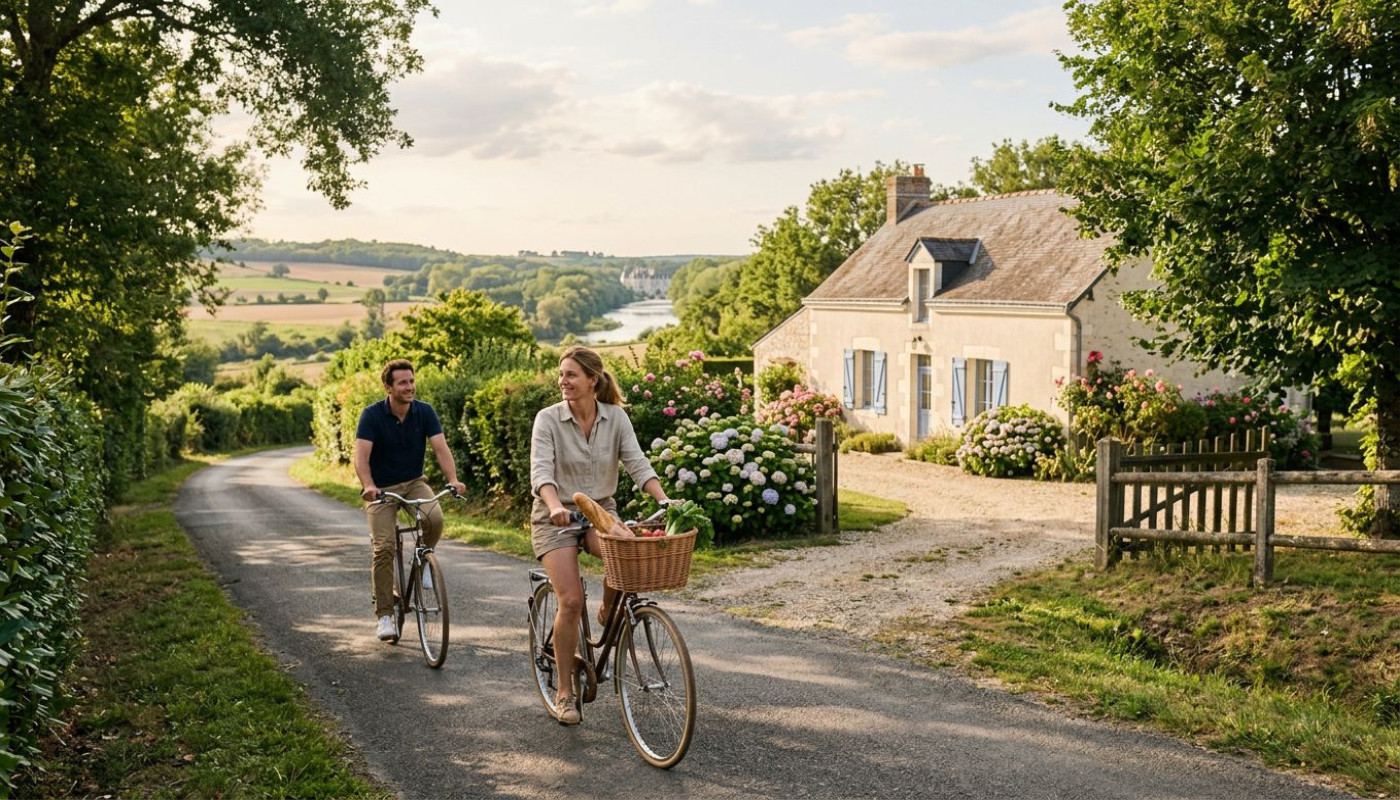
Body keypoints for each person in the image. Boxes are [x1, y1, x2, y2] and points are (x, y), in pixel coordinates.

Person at [530, 345, 670, 725]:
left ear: (593, 380)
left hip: (599, 512)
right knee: (571, 601)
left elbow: (637, 462)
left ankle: (608, 610)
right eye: (561, 375)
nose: (563, 381)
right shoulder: (548, 419)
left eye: (571, 375)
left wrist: (664, 498)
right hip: (553, 516)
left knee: (624, 553)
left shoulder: (616, 418)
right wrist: (554, 505)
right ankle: (563, 692)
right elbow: (541, 471)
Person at [355, 358, 465, 642]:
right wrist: (368, 485)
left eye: (412, 381)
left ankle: (423, 560)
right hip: (380, 490)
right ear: (388, 387)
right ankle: (385, 615)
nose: (410, 387)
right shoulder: (371, 415)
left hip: (414, 483)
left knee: (435, 519)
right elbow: (361, 457)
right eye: (403, 382)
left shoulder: (424, 412)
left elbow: (440, 448)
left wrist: (452, 479)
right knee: (384, 548)